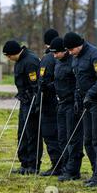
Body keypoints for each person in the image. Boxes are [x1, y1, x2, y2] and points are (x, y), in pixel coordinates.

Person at [63, 32, 97, 187]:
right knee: (88, 141)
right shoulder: (76, 57)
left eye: (71, 50)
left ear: (78, 45)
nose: (70, 53)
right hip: (87, 103)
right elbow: (78, 81)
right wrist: (78, 99)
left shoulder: (96, 55)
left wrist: (90, 94)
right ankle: (95, 173)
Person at [3, 40, 42, 175]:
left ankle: (33, 164)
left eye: (8, 56)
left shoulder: (30, 61)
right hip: (24, 101)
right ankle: (24, 163)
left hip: (32, 102)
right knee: (22, 133)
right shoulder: (19, 61)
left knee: (31, 134)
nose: (8, 58)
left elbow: (36, 84)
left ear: (14, 53)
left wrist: (31, 96)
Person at [49, 37, 84, 182]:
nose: (54, 55)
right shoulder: (57, 62)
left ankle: (73, 170)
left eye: (56, 52)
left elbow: (77, 83)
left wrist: (77, 101)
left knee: (72, 138)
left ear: (65, 51)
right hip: (61, 104)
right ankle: (64, 167)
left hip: (72, 105)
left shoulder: (73, 62)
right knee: (62, 137)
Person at [36, 29, 62, 176]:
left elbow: (43, 81)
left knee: (50, 134)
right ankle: (62, 163)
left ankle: (56, 164)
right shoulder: (63, 56)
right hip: (60, 101)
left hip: (49, 102)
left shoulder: (47, 58)